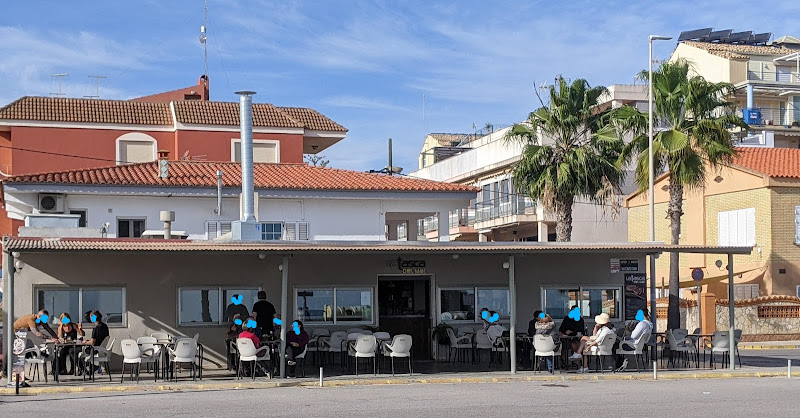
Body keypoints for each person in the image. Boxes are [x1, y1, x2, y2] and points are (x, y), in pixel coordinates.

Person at [79, 310, 109, 375]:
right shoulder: (105, 326)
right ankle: (92, 367)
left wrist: (84, 342)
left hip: (95, 349)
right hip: (102, 348)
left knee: (80, 353)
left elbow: (92, 342)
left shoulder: (96, 329)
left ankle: (91, 367)